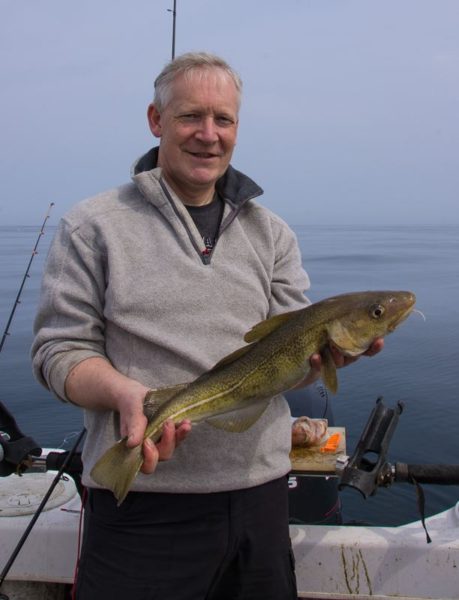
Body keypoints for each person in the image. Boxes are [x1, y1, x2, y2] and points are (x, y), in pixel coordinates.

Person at [32, 52, 383, 600]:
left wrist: (330, 360)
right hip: (142, 502)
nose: (208, 135)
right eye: (190, 117)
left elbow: (290, 362)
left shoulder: (273, 234)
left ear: (238, 128)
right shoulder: (92, 226)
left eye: (224, 120)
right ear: (156, 120)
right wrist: (125, 394)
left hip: (260, 498)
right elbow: (59, 352)